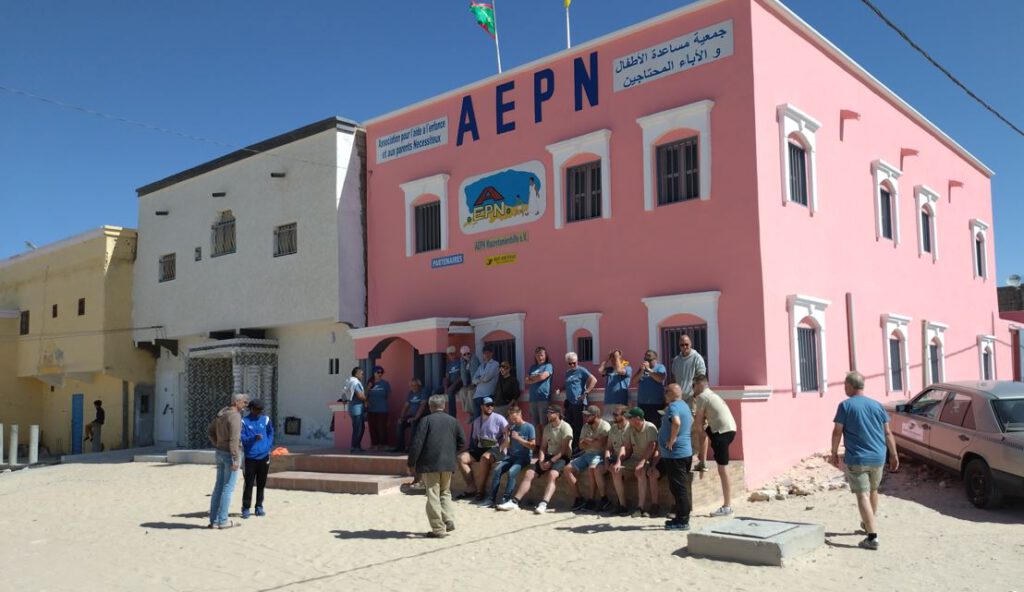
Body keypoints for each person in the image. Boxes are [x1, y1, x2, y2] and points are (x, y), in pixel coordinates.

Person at [829, 371, 899, 551]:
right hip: (878, 457)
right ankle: (868, 524)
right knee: (873, 490)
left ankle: (872, 537)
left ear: (851, 386)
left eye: (845, 385)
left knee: (862, 494)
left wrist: (834, 452)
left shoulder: (845, 406)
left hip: (858, 458)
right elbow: (888, 432)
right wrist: (893, 455)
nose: (844, 388)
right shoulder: (877, 405)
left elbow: (837, 431)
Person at [407, 395, 466, 538]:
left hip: (430, 464)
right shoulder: (453, 421)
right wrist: (451, 452)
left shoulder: (426, 420)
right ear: (444, 406)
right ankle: (449, 519)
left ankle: (438, 529)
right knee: (445, 493)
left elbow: (417, 443)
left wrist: (411, 463)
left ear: (430, 406)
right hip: (448, 463)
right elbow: (462, 442)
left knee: (433, 494)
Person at [497, 406, 573, 513]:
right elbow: (542, 447)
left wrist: (551, 462)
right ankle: (515, 502)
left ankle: (543, 504)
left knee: (552, 475)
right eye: (547, 412)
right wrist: (542, 460)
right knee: (529, 473)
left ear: (557, 414)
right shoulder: (547, 428)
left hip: (562, 457)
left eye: (550, 412)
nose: (547, 414)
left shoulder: (566, 427)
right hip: (548, 455)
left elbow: (564, 450)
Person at [692, 374, 737, 517]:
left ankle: (727, 506)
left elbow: (698, 424)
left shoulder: (702, 397)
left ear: (699, 385)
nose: (693, 389)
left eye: (693, 386)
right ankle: (703, 461)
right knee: (704, 431)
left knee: (722, 470)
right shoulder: (711, 395)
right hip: (728, 429)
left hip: (722, 433)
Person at [207, 392, 249, 529]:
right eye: (244, 402)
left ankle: (213, 520)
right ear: (237, 402)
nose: (245, 405)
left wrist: (217, 443)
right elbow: (234, 440)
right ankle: (223, 520)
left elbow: (210, 431)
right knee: (228, 488)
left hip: (219, 452)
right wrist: (236, 459)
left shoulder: (221, 414)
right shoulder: (235, 416)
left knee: (218, 486)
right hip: (229, 455)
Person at [457, 397, 509, 503]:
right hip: (481, 447)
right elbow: (475, 439)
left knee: (484, 458)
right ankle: (471, 486)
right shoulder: (477, 421)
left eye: (492, 405)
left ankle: (480, 491)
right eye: (487, 405)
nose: (490, 407)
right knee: (461, 458)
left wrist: (504, 444)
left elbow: (508, 434)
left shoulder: (499, 418)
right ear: (482, 406)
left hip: (496, 448)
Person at [659, 384, 694, 531]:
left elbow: (677, 422)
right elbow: (691, 420)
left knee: (679, 488)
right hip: (684, 452)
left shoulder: (673, 406)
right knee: (679, 487)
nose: (664, 394)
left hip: (676, 454)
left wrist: (672, 439)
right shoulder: (684, 405)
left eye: (666, 391)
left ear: (673, 393)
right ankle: (680, 517)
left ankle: (683, 520)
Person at [486, 406, 536, 508]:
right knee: (497, 471)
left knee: (512, 472)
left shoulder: (529, 427)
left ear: (520, 414)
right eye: (511, 418)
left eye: (515, 418)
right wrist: (506, 435)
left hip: (523, 457)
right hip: (511, 456)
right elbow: (506, 446)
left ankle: (506, 498)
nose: (513, 421)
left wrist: (518, 438)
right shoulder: (512, 427)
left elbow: (533, 445)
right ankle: (491, 499)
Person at [563, 405, 609, 511]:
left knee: (592, 468)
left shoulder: (605, 426)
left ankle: (592, 499)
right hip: (586, 454)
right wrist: (593, 441)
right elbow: (581, 445)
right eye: (585, 415)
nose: (585, 417)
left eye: (588, 416)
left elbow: (601, 445)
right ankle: (579, 498)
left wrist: (588, 441)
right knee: (567, 469)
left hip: (599, 454)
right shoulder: (585, 426)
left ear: (596, 415)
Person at [240, 398, 274, 519]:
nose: (259, 412)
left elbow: (271, 432)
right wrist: (254, 438)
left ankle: (259, 506)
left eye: (261, 410)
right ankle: (245, 508)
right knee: (249, 483)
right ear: (251, 409)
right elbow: (242, 439)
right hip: (250, 458)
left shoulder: (266, 420)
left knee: (261, 483)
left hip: (264, 457)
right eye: (257, 409)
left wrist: (268, 445)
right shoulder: (244, 421)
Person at [624, 407, 661, 518]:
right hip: (634, 458)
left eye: (629, 418)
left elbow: (652, 446)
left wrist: (642, 462)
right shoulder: (630, 428)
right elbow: (626, 447)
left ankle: (640, 507)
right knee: (616, 471)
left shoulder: (650, 427)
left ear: (637, 418)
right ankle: (621, 503)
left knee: (640, 472)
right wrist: (617, 461)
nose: (627, 419)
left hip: (648, 459)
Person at [557, 352, 596, 452]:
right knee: (567, 425)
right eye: (570, 363)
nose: (573, 365)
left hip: (578, 403)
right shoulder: (567, 372)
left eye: (574, 363)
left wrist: (586, 392)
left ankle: (577, 447)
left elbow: (593, 380)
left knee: (578, 426)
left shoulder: (581, 370)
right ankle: (569, 447)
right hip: (569, 403)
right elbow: (567, 384)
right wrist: (560, 389)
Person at [595, 404, 631, 514]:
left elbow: (628, 449)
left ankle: (622, 505)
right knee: (597, 469)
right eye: (613, 414)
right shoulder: (613, 428)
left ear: (624, 415)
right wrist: (606, 460)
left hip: (627, 458)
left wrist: (618, 462)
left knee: (616, 471)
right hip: (615, 457)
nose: (613, 416)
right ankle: (604, 499)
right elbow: (608, 447)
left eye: (616, 414)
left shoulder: (630, 428)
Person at [670, 335, 706, 407]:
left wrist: (696, 394)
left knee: (692, 418)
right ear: (679, 346)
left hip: (692, 397)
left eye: (686, 344)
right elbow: (673, 378)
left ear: (690, 344)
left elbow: (701, 378)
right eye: (682, 345)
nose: (684, 347)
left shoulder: (697, 358)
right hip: (678, 398)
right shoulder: (676, 360)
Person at [395, 378, 428, 453]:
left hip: (421, 416)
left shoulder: (423, 391)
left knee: (414, 423)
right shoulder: (410, 393)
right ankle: (400, 447)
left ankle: (412, 447)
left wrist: (415, 418)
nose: (412, 387)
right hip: (412, 415)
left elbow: (422, 406)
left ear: (419, 385)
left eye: (414, 385)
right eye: (411, 386)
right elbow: (406, 406)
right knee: (400, 423)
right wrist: (401, 417)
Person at [633, 350, 667, 421]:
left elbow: (660, 378)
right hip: (642, 404)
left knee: (655, 425)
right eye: (645, 359)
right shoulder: (642, 369)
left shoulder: (660, 367)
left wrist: (648, 369)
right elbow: (633, 381)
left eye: (649, 360)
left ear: (655, 359)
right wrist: (641, 371)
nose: (647, 362)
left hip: (656, 404)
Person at [525, 346, 554, 430]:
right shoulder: (532, 367)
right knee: (535, 424)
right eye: (537, 355)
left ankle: (545, 443)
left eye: (541, 355)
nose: (539, 357)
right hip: (533, 399)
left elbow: (542, 377)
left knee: (544, 424)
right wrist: (537, 377)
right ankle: (538, 443)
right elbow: (526, 380)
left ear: (545, 355)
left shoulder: (548, 366)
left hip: (543, 398)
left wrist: (533, 378)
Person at [366, 366, 391, 451]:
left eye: (381, 372)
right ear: (374, 373)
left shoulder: (385, 383)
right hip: (371, 409)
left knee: (382, 427)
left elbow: (388, 395)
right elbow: (364, 395)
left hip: (382, 409)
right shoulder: (370, 383)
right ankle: (374, 444)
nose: (380, 374)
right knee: (372, 427)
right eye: (378, 372)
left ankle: (384, 444)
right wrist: (368, 388)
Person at [471, 346, 500, 420]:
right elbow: (473, 379)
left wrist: (479, 378)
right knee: (476, 419)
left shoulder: (495, 364)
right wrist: (481, 379)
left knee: (487, 418)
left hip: (488, 395)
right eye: (485, 353)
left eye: (488, 353)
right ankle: (476, 432)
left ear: (491, 354)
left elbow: (486, 378)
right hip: (477, 395)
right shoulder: (481, 366)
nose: (486, 355)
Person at [346, 367, 367, 452]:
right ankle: (355, 447)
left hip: (353, 409)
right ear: (357, 374)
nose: (363, 375)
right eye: (361, 373)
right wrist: (367, 400)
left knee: (359, 428)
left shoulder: (351, 381)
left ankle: (357, 446)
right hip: (356, 410)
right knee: (358, 429)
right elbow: (359, 395)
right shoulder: (356, 383)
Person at [458, 345, 481, 417]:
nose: (467, 355)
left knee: (470, 392)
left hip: (477, 383)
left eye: (468, 353)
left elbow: (474, 373)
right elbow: (463, 375)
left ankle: (472, 412)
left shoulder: (474, 359)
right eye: (464, 354)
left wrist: (472, 384)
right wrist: (462, 363)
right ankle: (468, 412)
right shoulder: (464, 362)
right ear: (462, 355)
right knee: (461, 392)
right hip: (470, 383)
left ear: (470, 353)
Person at [443, 346, 463, 418]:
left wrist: (453, 386)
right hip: (451, 383)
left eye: (451, 354)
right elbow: (447, 377)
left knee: (451, 392)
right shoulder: (449, 364)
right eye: (449, 354)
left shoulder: (460, 361)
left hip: (459, 383)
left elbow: (461, 376)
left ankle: (452, 416)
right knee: (435, 391)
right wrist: (445, 388)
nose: (450, 356)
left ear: (455, 353)